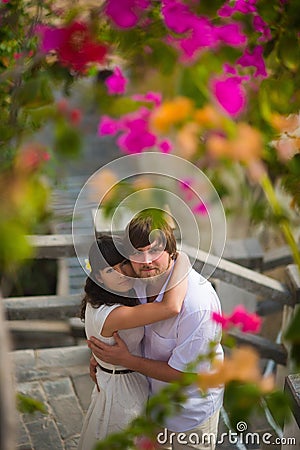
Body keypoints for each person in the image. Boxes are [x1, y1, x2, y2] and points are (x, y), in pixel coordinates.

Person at [88, 210, 224, 450]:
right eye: (137, 254)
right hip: (148, 401)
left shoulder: (197, 305)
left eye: (154, 250)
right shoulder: (133, 284)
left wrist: (125, 360)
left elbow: (187, 376)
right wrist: (103, 355)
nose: (147, 260)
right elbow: (117, 325)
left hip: (189, 412)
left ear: (170, 249)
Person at [78, 234, 189, 450]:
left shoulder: (101, 300)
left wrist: (100, 360)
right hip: (122, 392)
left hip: (118, 380)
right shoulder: (114, 313)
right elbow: (170, 307)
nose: (122, 274)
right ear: (99, 277)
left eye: (124, 264)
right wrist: (180, 257)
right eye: (111, 270)